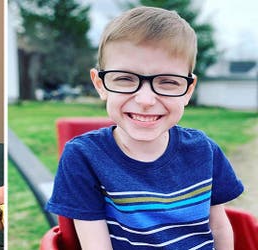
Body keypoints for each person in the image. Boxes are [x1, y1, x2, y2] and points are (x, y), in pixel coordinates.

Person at [45, 6, 244, 249]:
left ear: (188, 91)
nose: (146, 100)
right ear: (100, 84)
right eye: (125, 78)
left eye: (168, 82)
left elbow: (219, 227)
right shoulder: (84, 157)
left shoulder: (204, 150)